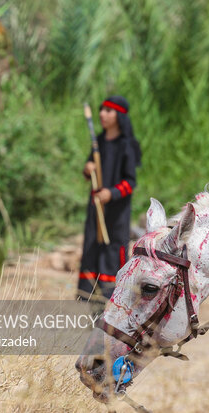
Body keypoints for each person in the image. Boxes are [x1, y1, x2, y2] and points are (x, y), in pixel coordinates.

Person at [78, 96, 141, 304]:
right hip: (96, 207)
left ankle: (112, 297)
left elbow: (130, 182)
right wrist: (88, 169)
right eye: (102, 110)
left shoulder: (127, 145)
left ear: (119, 116)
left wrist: (111, 193)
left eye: (108, 111)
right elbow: (90, 169)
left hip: (116, 212)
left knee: (113, 249)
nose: (102, 114)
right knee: (92, 247)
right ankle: (90, 296)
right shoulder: (99, 142)